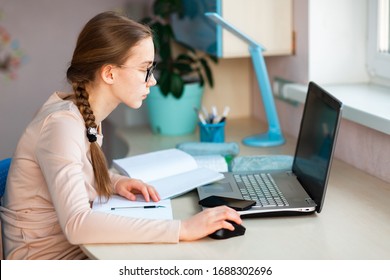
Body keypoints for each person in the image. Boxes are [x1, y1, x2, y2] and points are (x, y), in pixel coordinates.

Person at [0, 11, 241, 260]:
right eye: (144, 69)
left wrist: (114, 181)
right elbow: (77, 225)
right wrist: (183, 228)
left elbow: (75, 172)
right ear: (110, 74)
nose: (153, 81)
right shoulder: (61, 126)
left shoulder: (84, 115)